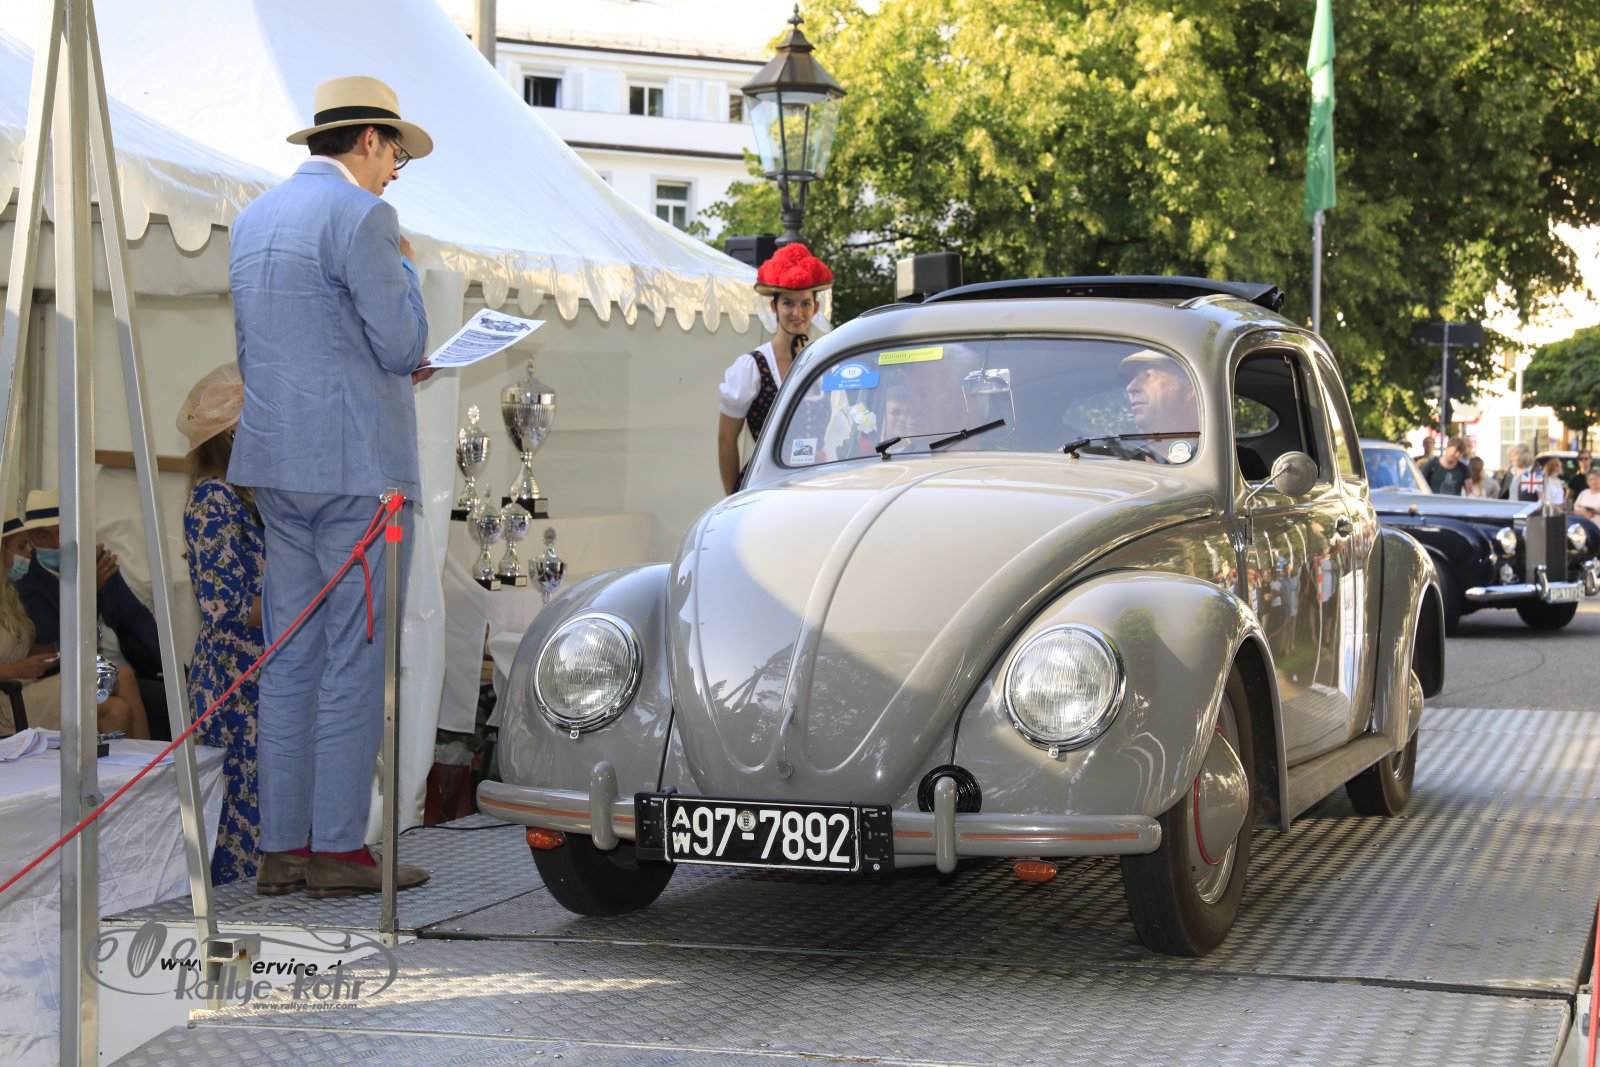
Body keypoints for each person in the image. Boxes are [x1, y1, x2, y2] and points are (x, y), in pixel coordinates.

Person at [228, 75, 432, 898]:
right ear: (371, 140)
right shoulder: (365, 217)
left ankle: (283, 847)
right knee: (355, 657)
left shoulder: (252, 219)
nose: (394, 174)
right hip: (358, 473)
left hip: (277, 467)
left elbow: (256, 349)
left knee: (288, 658)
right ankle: (341, 849)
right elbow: (402, 344)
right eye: (396, 156)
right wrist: (406, 269)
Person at [178, 363, 266, 886]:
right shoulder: (214, 499)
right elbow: (222, 605)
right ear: (231, 434)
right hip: (234, 683)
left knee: (259, 806)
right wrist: (300, 601)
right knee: (237, 816)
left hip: (259, 676)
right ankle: (235, 915)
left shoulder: (247, 496)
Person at [10, 488, 170, 740]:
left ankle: (148, 759)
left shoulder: (91, 560)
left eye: (62, 532)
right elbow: (51, 641)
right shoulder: (26, 580)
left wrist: (173, 668)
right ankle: (140, 759)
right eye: (44, 535)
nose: (56, 543)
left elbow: (133, 616)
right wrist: (87, 593)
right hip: (53, 674)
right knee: (119, 706)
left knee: (131, 679)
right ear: (31, 540)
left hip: (91, 665)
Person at [716, 243, 833, 494]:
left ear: (816, 308)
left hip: (814, 484)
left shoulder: (824, 362)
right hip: (765, 487)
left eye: (805, 304)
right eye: (788, 303)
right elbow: (726, 440)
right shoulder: (752, 367)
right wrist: (732, 498)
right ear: (774, 307)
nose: (797, 312)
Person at [1120, 349, 1199, 462]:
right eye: (1133, 379)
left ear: (1189, 388)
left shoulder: (1224, 456)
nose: (1130, 387)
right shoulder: (1116, 463)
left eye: (1147, 375)